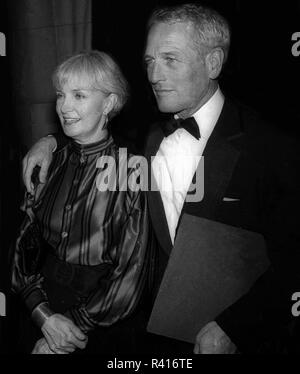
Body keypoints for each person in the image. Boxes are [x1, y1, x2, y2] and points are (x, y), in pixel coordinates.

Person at [21, 3, 300, 354]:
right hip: (149, 338)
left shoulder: (271, 147)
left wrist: (236, 327)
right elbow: (92, 138)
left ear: (213, 62)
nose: (154, 75)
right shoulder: (147, 138)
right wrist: (49, 143)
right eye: (150, 62)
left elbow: (293, 259)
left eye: (170, 59)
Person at [11, 50, 152, 354]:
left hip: (99, 326)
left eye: (79, 95)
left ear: (110, 103)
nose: (64, 106)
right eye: (61, 95)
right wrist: (43, 315)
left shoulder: (131, 170)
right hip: (37, 308)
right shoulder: (47, 162)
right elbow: (22, 244)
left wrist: (70, 328)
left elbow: (132, 271)